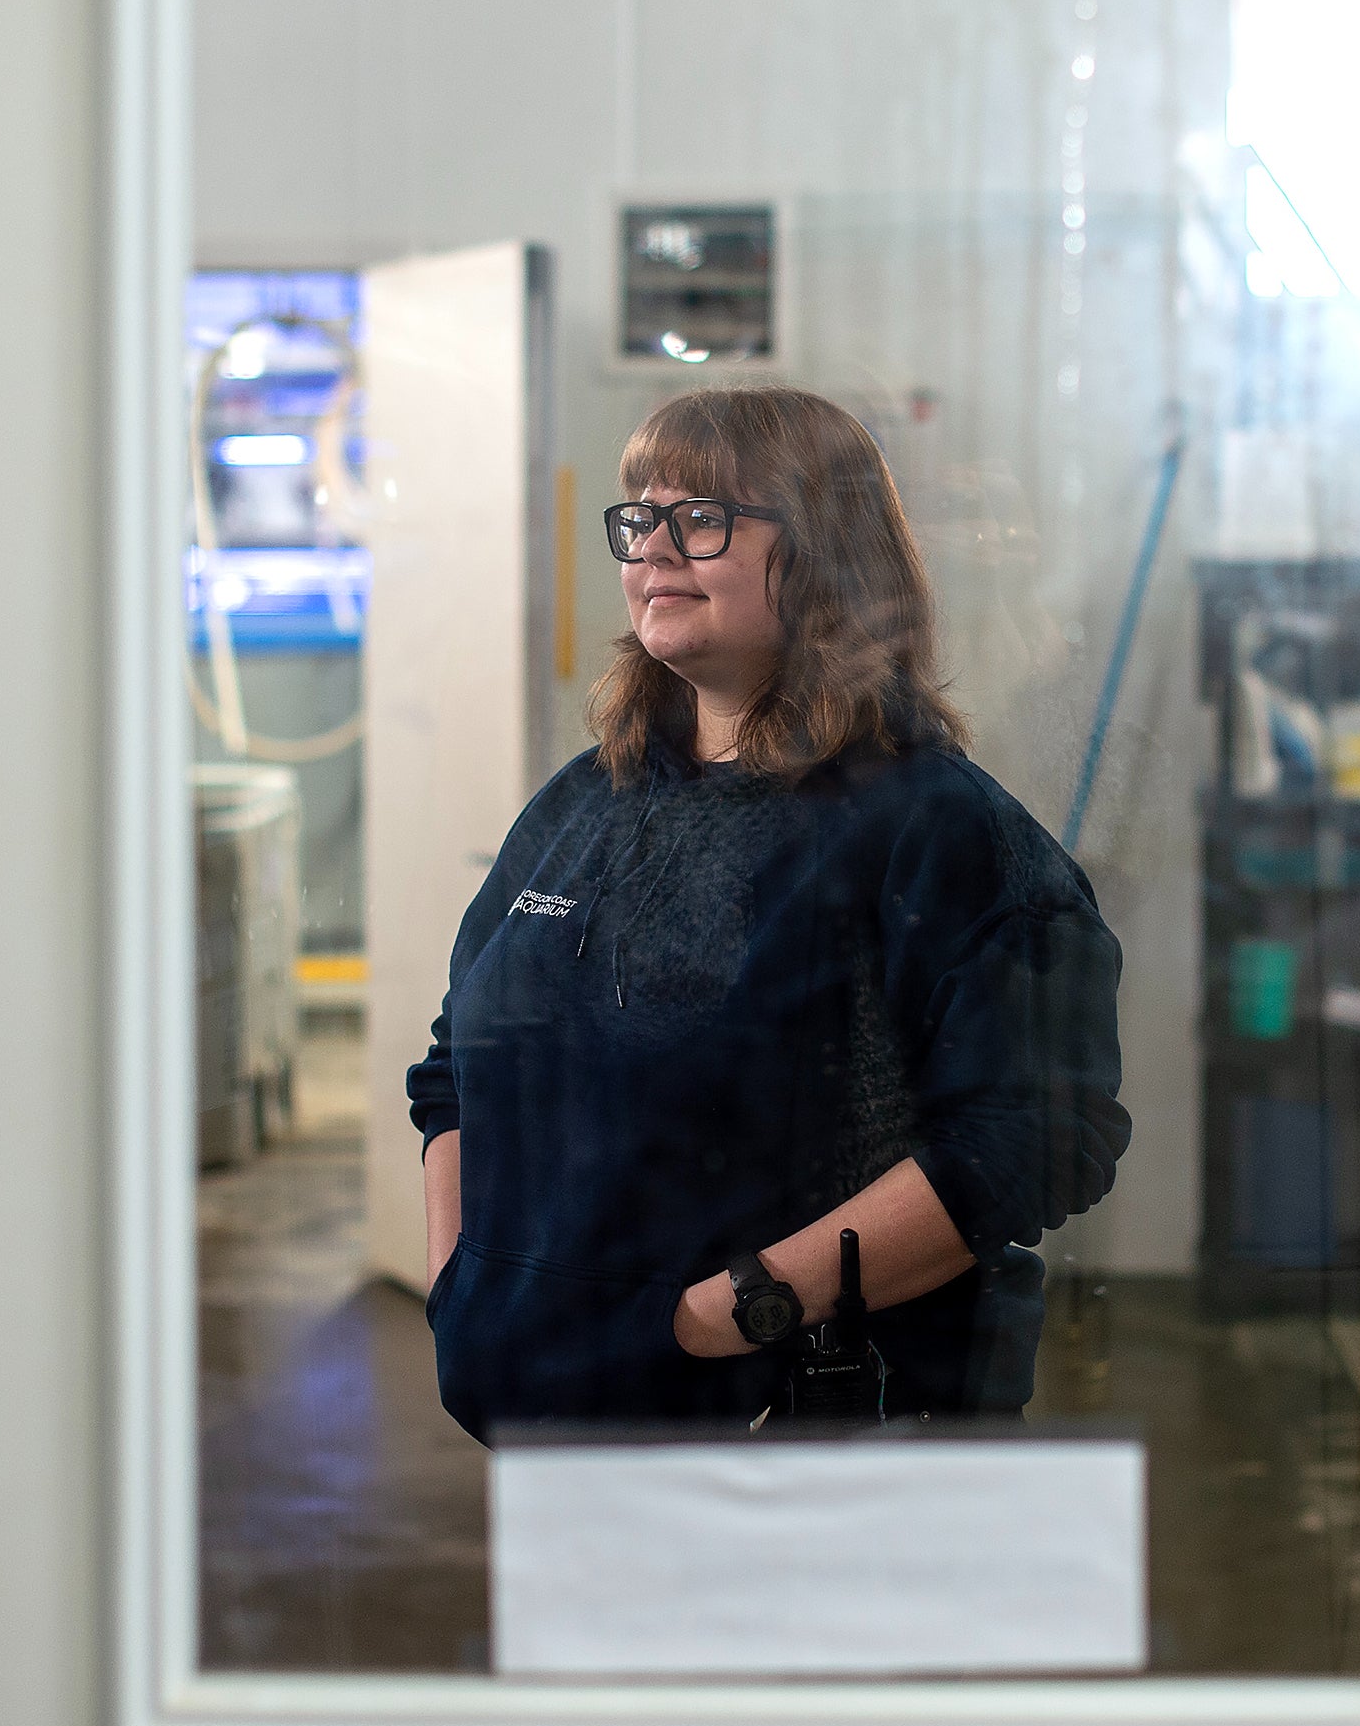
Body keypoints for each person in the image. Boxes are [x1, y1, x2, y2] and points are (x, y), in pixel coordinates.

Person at [408, 385, 1128, 1441]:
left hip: (813, 1439)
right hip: (561, 1438)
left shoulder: (932, 827)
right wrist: (460, 1288)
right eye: (639, 517)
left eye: (702, 518)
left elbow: (1036, 1138)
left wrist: (722, 1318)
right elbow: (452, 1071)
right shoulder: (586, 801)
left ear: (831, 553)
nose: (655, 549)